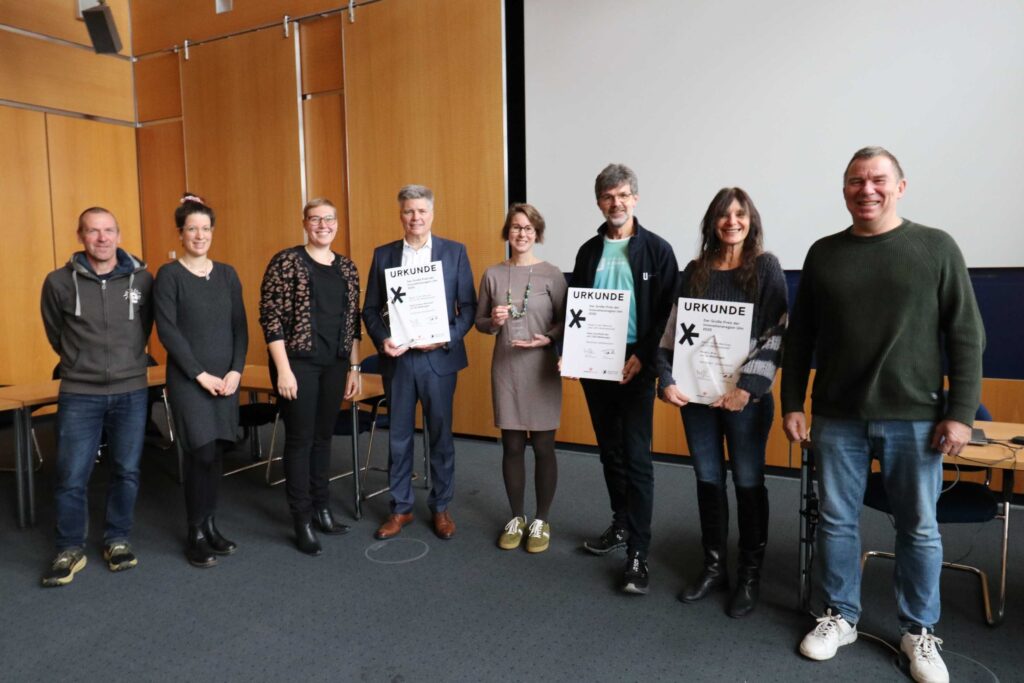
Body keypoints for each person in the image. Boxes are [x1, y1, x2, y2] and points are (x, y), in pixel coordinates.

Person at [782, 147, 984, 683]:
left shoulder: (935, 247)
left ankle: (919, 630)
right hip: (837, 418)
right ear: (843, 189)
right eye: (854, 181)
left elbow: (967, 335)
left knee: (918, 528)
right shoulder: (824, 253)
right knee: (836, 522)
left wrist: (960, 413)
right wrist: (792, 403)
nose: (865, 189)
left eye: (877, 180)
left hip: (915, 420)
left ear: (900, 186)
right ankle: (839, 616)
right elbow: (800, 338)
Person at [655, 188, 787, 617]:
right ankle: (714, 568)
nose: (732, 222)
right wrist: (666, 379)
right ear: (712, 222)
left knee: (748, 482)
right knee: (708, 479)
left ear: (751, 220)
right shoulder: (695, 270)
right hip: (698, 400)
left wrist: (747, 387)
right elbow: (671, 334)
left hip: (745, 400)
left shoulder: (765, 268)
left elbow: (777, 332)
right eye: (723, 215)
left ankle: (749, 574)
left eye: (740, 214)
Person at [571, 163, 679, 594]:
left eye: (622, 195)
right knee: (609, 451)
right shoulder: (587, 251)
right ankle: (620, 522)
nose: (615, 203)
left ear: (634, 198)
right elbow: (577, 308)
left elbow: (667, 313)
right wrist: (575, 355)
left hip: (636, 365)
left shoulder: (657, 249)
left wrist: (644, 358)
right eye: (607, 196)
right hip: (596, 363)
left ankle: (639, 552)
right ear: (599, 202)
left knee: (636, 457)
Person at [40, 207, 154, 586]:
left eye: (108, 231)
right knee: (72, 474)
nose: (102, 238)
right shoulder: (58, 282)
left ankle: (117, 539)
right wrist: (78, 361)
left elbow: (146, 324)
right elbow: (56, 333)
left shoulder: (142, 278)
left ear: (119, 235)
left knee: (127, 470)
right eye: (93, 231)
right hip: (80, 392)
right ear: (81, 236)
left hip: (131, 389)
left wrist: (129, 362)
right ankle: (70, 547)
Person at [363, 184, 476, 541]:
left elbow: (469, 308)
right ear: (401, 215)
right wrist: (383, 339)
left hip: (438, 360)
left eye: (421, 211)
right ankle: (401, 509)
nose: (415, 217)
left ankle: (441, 507)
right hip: (399, 361)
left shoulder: (454, 253)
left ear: (432, 214)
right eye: (409, 211)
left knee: (440, 436)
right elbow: (369, 309)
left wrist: (448, 336)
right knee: (398, 437)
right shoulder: (383, 255)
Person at [259, 198, 361, 556]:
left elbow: (352, 322)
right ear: (304, 223)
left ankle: (322, 509)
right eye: (315, 219)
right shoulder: (286, 262)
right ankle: (300, 518)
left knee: (323, 438)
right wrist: (283, 369)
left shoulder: (348, 268)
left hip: (335, 363)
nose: (323, 225)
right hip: (296, 363)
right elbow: (269, 317)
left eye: (329, 219)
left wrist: (354, 366)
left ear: (337, 224)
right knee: (300, 440)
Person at [154, 193, 247, 568]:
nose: (199, 235)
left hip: (226, 380)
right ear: (180, 234)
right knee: (201, 453)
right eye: (191, 228)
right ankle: (194, 532)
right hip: (190, 380)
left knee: (217, 453)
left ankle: (211, 526)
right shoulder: (170, 275)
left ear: (212, 232)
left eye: (205, 228)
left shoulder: (227, 274)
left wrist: (236, 370)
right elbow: (168, 331)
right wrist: (199, 374)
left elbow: (240, 327)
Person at [475, 204, 567, 553]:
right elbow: (480, 322)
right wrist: (494, 322)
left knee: (543, 446)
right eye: (516, 227)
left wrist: (549, 337)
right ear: (508, 232)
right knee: (512, 446)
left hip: (541, 368)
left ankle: (541, 519)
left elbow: (564, 321)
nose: (522, 233)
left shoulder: (552, 274)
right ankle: (517, 517)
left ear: (537, 234)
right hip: (507, 368)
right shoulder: (493, 274)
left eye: (529, 228)